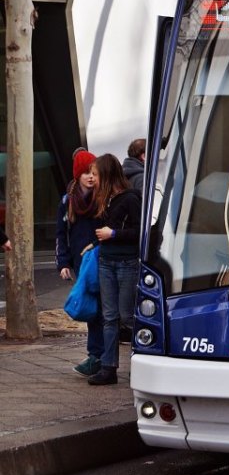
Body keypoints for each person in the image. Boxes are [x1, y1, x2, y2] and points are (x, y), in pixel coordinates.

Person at [88, 154, 142, 386]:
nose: (92, 178)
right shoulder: (104, 199)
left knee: (127, 317)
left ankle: (140, 363)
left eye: (95, 174)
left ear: (107, 175)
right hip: (106, 261)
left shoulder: (130, 199)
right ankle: (108, 367)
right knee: (109, 317)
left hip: (126, 263)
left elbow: (140, 232)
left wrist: (114, 234)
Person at [55, 150, 103, 377]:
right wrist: (63, 263)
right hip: (80, 262)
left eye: (93, 172)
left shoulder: (102, 198)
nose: (91, 177)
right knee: (91, 308)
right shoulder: (68, 201)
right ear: (78, 175)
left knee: (102, 310)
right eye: (86, 173)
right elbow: (61, 234)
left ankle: (98, 356)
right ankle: (97, 356)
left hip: (98, 259)